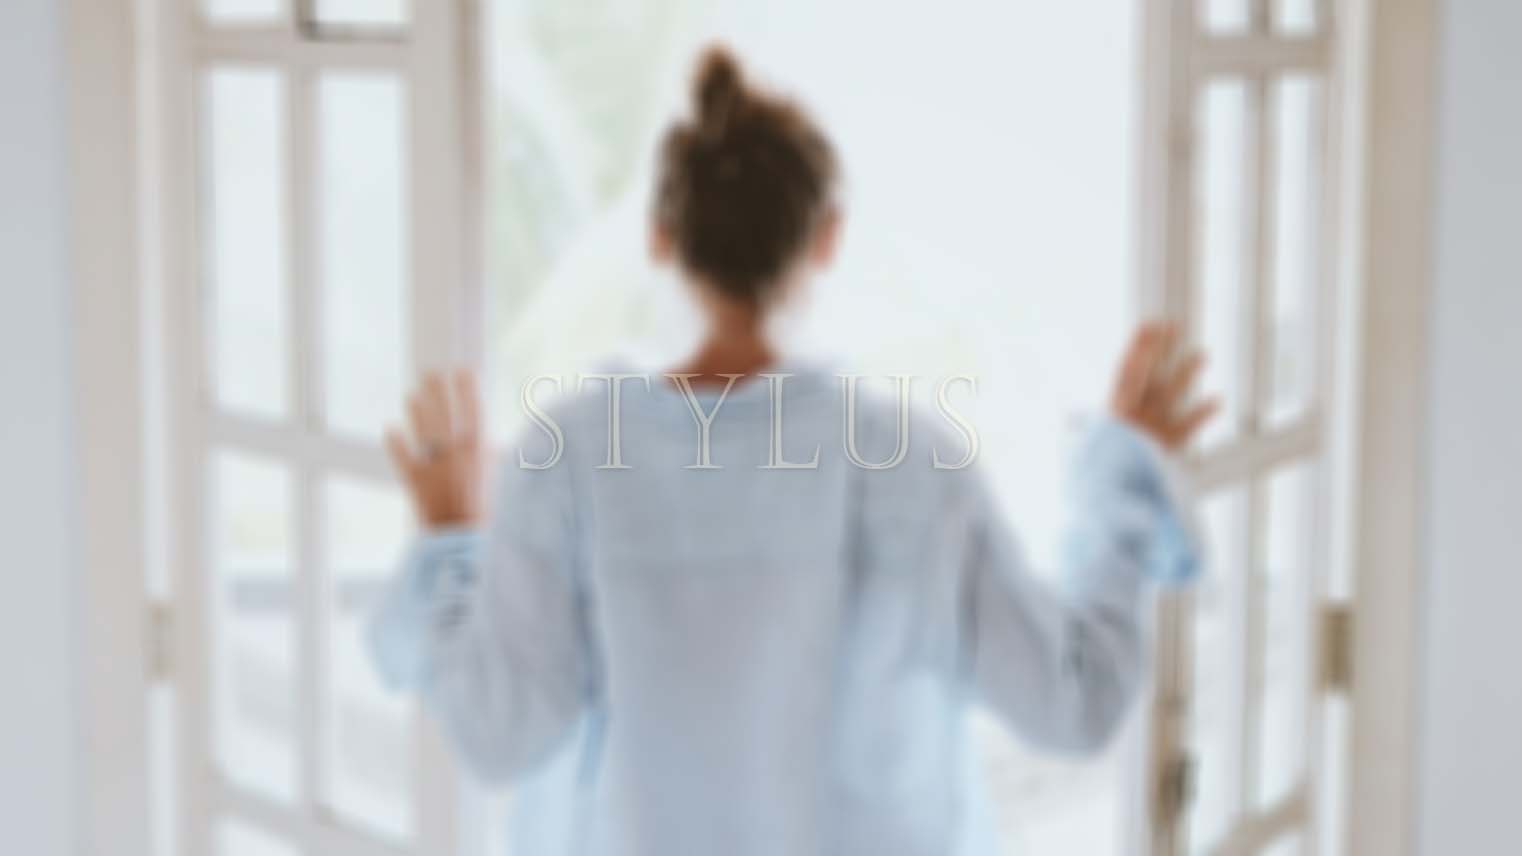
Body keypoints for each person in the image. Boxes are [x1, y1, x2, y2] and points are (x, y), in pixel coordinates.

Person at [369, 46, 1217, 856]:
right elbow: (1071, 703)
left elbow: (499, 736)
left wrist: (449, 537)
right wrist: (1124, 486)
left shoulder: (568, 459)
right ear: (827, 237)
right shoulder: (911, 462)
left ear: (660, 235)